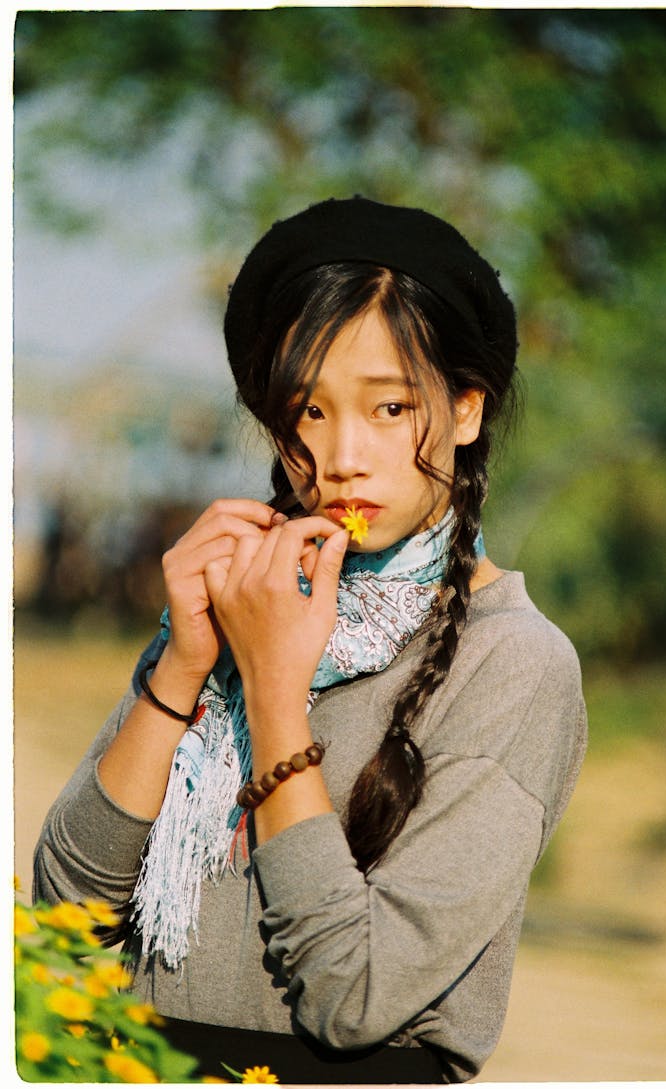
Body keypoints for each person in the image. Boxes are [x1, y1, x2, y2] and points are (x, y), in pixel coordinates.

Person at [33, 196, 587, 1084]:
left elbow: (356, 996)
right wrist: (182, 661)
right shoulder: (242, 602)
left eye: (391, 407)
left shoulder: (515, 661)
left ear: (469, 409)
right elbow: (63, 914)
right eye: (310, 411)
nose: (342, 458)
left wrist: (273, 691)